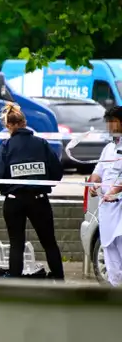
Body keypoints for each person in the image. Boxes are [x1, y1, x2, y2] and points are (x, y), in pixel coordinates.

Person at [0, 102, 65, 280]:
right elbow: (57, 172)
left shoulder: (5, 146)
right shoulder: (41, 144)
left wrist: (8, 187)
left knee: (17, 243)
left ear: (8, 126)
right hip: (39, 200)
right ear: (25, 122)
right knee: (49, 242)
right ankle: (59, 279)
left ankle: (15, 282)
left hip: (14, 200)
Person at [87, 105, 122, 287]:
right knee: (110, 254)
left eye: (114, 122)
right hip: (107, 212)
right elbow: (97, 172)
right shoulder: (108, 148)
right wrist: (94, 183)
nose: (110, 126)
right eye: (108, 122)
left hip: (120, 208)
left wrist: (114, 190)